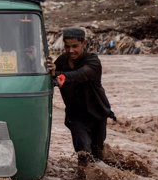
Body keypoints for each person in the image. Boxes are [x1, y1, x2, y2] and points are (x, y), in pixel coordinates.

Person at [45, 27, 116, 168]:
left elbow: (80, 75)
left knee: (97, 155)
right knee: (83, 152)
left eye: (75, 46)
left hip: (97, 113)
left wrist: (56, 74)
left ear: (84, 44)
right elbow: (49, 78)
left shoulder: (93, 61)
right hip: (75, 115)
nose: (71, 50)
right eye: (67, 47)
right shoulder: (62, 61)